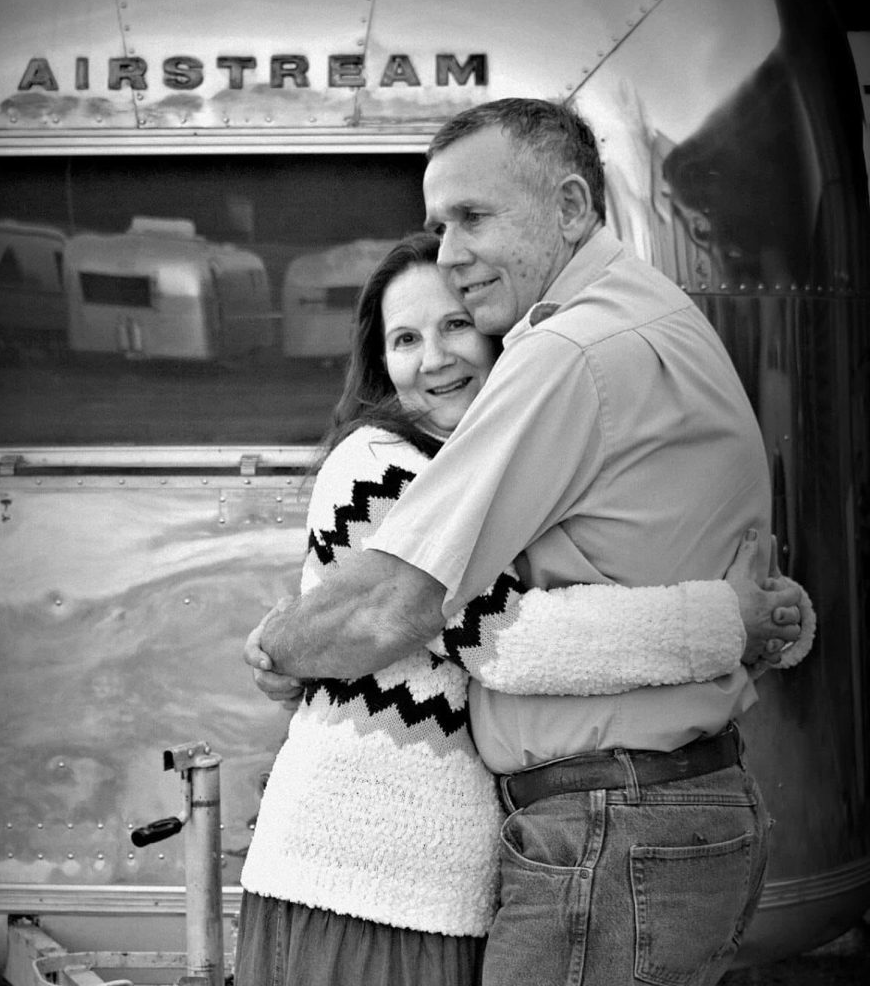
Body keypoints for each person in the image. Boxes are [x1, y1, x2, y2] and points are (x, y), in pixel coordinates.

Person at [244, 100, 815, 986]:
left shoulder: (565, 355)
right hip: (388, 866)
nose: (452, 256)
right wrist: (739, 621)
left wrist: (282, 641)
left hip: (601, 824)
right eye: (404, 338)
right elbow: (496, 623)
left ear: (572, 207)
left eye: (473, 218)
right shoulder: (636, 324)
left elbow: (459, 623)